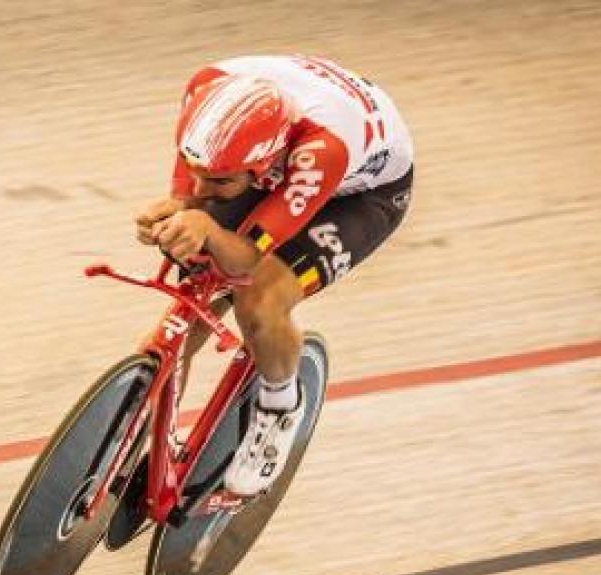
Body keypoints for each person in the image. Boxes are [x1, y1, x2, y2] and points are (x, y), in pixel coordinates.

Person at [136, 54, 414, 497]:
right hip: (284, 153)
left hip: (360, 196)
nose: (203, 187)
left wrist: (207, 226)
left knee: (260, 299)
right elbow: (198, 191)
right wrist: (178, 210)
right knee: (198, 279)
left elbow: (246, 260)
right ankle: (142, 428)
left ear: (264, 167)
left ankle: (280, 406)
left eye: (218, 181)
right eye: (196, 172)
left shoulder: (322, 149)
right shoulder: (205, 89)